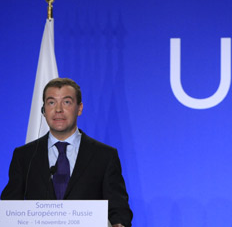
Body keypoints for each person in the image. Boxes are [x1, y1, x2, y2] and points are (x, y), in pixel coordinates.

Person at [1, 78, 133, 227]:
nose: (58, 110)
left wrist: (119, 224)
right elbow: (10, 207)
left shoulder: (105, 156)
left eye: (66, 102)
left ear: (80, 108)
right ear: (44, 110)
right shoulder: (24, 156)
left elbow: (119, 209)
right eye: (51, 102)